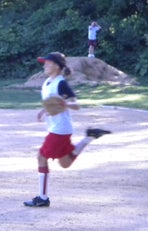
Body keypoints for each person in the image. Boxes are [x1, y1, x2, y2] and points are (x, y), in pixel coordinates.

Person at [23, 52, 111, 207]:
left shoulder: (61, 83)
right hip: (57, 127)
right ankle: (89, 137)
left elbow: (76, 105)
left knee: (41, 156)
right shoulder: (47, 82)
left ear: (56, 66)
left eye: (48, 63)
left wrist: (66, 105)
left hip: (59, 129)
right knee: (65, 163)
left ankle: (43, 198)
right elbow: (52, 102)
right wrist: (44, 110)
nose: (45, 65)